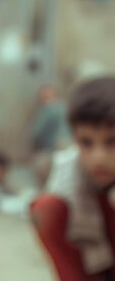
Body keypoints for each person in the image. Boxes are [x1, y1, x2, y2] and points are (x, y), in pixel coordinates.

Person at [31, 77, 115, 281]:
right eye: (86, 143)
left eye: (112, 142)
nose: (98, 157)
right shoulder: (70, 178)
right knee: (47, 208)